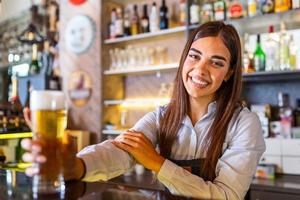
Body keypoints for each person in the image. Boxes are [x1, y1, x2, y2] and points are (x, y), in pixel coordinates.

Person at [22, 21, 265, 200]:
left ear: (229, 73)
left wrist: (157, 162)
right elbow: (120, 150)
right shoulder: (161, 117)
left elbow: (226, 195)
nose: (200, 70)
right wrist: (76, 166)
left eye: (216, 62)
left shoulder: (244, 123)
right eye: (195, 56)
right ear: (184, 60)